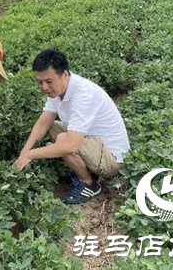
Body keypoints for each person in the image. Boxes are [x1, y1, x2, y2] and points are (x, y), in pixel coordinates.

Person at [14, 49, 130, 204]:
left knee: (64, 140)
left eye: (49, 81)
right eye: (40, 82)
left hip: (113, 159)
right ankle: (81, 168)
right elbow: (43, 122)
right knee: (52, 126)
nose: (44, 87)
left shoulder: (84, 94)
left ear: (65, 75)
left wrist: (30, 155)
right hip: (93, 143)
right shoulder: (57, 90)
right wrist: (24, 151)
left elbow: (70, 145)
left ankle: (89, 183)